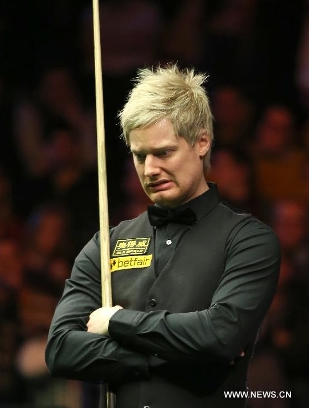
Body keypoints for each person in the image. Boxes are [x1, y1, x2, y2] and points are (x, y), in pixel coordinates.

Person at [45, 64, 281, 408]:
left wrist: (115, 321)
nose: (150, 169)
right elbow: (61, 349)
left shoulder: (249, 241)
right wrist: (165, 355)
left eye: (163, 152)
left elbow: (219, 335)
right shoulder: (106, 244)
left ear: (202, 142)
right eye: (140, 156)